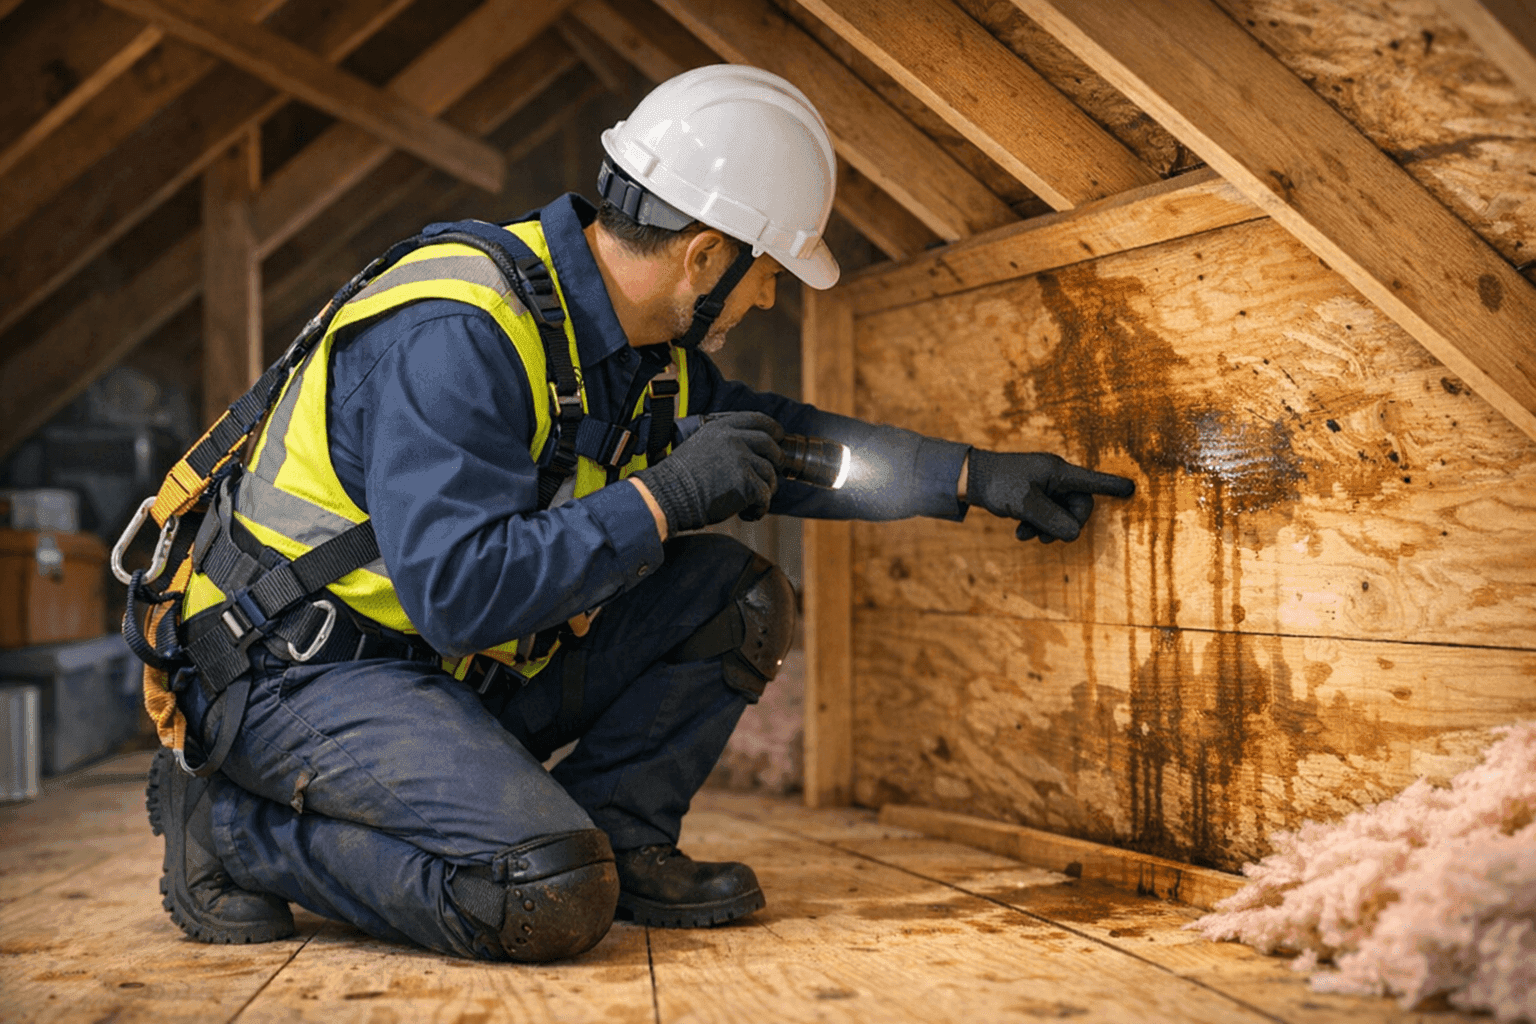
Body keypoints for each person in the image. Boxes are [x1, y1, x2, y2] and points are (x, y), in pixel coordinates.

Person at [145, 65, 1135, 964]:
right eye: (770, 275)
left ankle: (620, 835)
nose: (772, 301)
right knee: (542, 892)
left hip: (433, 676)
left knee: (733, 596)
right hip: (295, 676)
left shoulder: (628, 349)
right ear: (707, 258)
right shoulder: (457, 334)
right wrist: (660, 498)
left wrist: (969, 476)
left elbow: (774, 450)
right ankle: (232, 827)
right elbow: (458, 594)